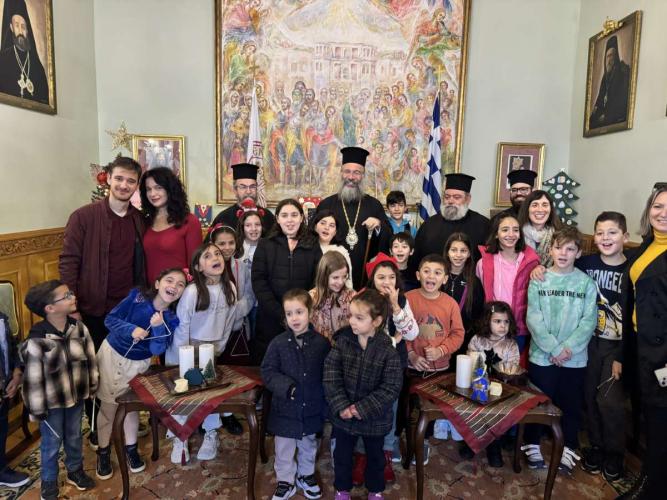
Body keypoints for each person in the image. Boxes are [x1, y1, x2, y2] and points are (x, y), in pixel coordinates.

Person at [59, 156, 145, 447]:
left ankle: (126, 421)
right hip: (91, 310)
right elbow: (68, 262)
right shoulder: (83, 217)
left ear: (136, 185)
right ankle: (98, 427)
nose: (124, 185)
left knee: (125, 369)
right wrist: (72, 306)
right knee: (94, 371)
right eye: (119, 178)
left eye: (130, 181)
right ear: (108, 178)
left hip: (125, 314)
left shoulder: (138, 221)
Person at [95, 268, 186, 480]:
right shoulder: (136, 297)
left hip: (138, 365)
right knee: (108, 408)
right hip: (112, 356)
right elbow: (110, 320)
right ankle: (103, 452)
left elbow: (157, 349)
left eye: (180, 284)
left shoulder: (171, 319)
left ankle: (131, 449)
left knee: (131, 408)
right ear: (158, 284)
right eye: (169, 280)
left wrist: (157, 327)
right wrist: (131, 330)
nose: (174, 286)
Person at [523, 227, 597, 474]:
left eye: (570, 249)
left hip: (574, 359)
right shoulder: (539, 279)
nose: (563, 253)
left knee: (571, 403)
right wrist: (554, 348)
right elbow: (534, 318)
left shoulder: (586, 283)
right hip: (542, 355)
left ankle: (569, 446)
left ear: (578, 253)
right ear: (551, 250)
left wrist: (567, 349)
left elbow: (589, 321)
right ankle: (532, 443)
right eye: (558, 248)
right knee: (538, 401)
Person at [22, 280, 98, 500]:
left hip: (76, 397)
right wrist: (37, 409)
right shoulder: (37, 339)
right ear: (50, 308)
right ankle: (49, 480)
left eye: (70, 293)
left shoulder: (79, 328)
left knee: (74, 436)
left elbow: (90, 358)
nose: (73, 297)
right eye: (66, 296)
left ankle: (75, 470)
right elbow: (32, 378)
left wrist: (92, 384)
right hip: (51, 404)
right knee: (51, 443)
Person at [323, 290, 403, 500]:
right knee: (342, 456)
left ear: (376, 321)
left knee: (376, 458)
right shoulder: (342, 342)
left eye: (359, 318)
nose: (352, 321)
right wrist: (342, 406)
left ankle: (375, 491)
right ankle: (342, 490)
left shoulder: (388, 351)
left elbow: (391, 388)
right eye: (351, 315)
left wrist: (361, 408)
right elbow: (331, 376)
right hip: (344, 416)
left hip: (375, 419)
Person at [165, 243, 241, 463]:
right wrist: (182, 356)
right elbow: (183, 324)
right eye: (207, 256)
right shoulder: (192, 291)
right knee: (184, 392)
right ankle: (180, 436)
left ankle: (210, 432)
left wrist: (219, 347)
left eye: (217, 254)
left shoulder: (230, 288)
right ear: (198, 267)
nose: (215, 258)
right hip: (186, 348)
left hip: (211, 349)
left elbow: (228, 322)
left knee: (210, 391)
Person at [618, 185, 667, 499]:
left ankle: (653, 490)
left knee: (661, 428)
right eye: (658, 206)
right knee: (650, 421)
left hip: (663, 355)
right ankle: (649, 481)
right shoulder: (647, 246)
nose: (663, 213)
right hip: (641, 346)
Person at [574, 211, 629, 481]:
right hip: (589, 340)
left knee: (609, 399)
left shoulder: (632, 268)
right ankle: (596, 445)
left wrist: (622, 354)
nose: (605, 238)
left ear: (625, 236)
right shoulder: (585, 263)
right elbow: (560, 265)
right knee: (589, 394)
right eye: (600, 233)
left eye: (612, 232)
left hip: (618, 345)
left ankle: (615, 451)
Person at [261, 289, 330, 500]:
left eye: (299, 312)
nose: (294, 318)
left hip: (311, 406)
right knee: (283, 447)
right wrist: (287, 387)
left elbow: (328, 374)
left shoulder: (322, 344)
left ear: (310, 312)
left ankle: (306, 475)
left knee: (308, 444)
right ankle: (285, 480)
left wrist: (326, 403)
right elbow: (267, 371)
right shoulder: (278, 343)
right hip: (285, 408)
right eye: (289, 313)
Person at [362, 253, 419, 479]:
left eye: (391, 277)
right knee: (365, 406)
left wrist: (395, 306)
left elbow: (411, 333)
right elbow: (362, 332)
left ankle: (385, 453)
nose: (386, 282)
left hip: (393, 366)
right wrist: (393, 340)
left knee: (390, 408)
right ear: (372, 279)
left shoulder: (402, 301)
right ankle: (361, 454)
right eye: (381, 277)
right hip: (368, 364)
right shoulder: (363, 299)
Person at [252, 199, 321, 364]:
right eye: (284, 215)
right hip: (270, 317)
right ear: (277, 218)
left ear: (301, 217)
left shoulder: (312, 244)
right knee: (270, 363)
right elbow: (258, 281)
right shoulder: (265, 244)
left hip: (302, 317)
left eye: (294, 215)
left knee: (299, 363)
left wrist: (300, 310)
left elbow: (318, 280)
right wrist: (281, 313)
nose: (289, 220)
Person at [316, 147, 391, 289]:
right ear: (341, 173)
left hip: (365, 277)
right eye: (347, 171)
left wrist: (378, 225)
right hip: (333, 276)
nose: (351, 177)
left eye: (357, 172)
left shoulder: (374, 205)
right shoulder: (326, 204)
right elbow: (314, 237)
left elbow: (388, 235)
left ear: (363, 175)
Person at [477, 214, 540, 363]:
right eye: (505, 230)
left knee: (513, 370)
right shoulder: (484, 263)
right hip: (492, 326)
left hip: (519, 327)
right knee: (489, 368)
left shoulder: (531, 262)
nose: (511, 234)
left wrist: (541, 268)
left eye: (515, 230)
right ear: (496, 234)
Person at [465, 301, 521, 467]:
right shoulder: (477, 340)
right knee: (475, 413)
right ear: (487, 321)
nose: (503, 326)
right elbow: (470, 360)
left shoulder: (510, 345)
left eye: (506, 322)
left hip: (501, 389)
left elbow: (513, 366)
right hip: (478, 386)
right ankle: (472, 442)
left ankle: (493, 447)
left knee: (497, 416)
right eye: (497, 321)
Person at [413, 173, 490, 270]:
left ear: (468, 199)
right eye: (447, 197)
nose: (450, 201)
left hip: (470, 278)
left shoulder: (483, 225)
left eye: (456, 197)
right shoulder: (429, 225)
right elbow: (417, 259)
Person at [140, 167, 202, 283]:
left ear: (170, 189)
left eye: (158, 188)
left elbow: (195, 266)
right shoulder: (145, 221)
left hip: (178, 290)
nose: (152, 194)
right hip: (150, 290)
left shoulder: (189, 221)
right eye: (148, 189)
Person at [209, 224, 255, 363]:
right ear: (212, 244)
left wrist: (234, 313)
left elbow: (249, 295)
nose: (227, 247)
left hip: (237, 327)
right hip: (213, 329)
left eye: (231, 243)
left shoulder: (242, 266)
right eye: (221, 243)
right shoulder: (206, 267)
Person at [442, 233, 485, 366]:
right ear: (447, 252)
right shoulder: (437, 276)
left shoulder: (474, 282)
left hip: (463, 341)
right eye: (454, 250)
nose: (458, 255)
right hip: (438, 339)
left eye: (463, 251)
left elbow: (478, 315)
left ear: (469, 254)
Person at [0, 311, 28, 488]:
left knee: (1, 427)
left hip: (4, 386)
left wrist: (17, 374)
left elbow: (11, 347)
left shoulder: (2, 318)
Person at [0, 0, 49, 103]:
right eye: (17, 25)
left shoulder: (36, 64)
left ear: (27, 30)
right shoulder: (2, 60)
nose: (21, 31)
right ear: (11, 27)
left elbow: (44, 99)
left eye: (23, 26)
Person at [212, 163, 276, 233]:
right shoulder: (223, 218)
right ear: (235, 190)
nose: (248, 191)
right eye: (243, 187)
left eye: (252, 186)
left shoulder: (267, 216)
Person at [309, 251, 355, 343]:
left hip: (344, 347)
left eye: (344, 276)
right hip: (319, 346)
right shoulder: (312, 297)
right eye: (335, 277)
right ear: (323, 276)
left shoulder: (352, 296)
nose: (341, 282)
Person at [589, 35, 630, 129]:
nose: (609, 59)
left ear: (616, 56)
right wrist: (595, 111)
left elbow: (622, 101)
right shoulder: (605, 77)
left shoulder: (623, 72)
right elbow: (600, 99)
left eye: (611, 55)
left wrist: (607, 116)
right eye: (607, 56)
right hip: (604, 116)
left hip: (615, 116)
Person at [309, 209, 354, 289]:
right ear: (315, 227)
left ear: (335, 232)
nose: (326, 227)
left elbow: (348, 279)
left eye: (331, 225)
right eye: (323, 223)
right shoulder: (307, 248)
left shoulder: (341, 250)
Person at [518, 190, 563, 267]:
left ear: (550, 209)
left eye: (545, 205)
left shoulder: (560, 235)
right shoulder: (516, 234)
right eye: (535, 205)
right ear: (527, 209)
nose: (540, 209)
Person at [237, 209, 263, 338]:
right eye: (248, 225)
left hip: (260, 303)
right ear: (242, 227)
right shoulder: (236, 248)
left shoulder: (268, 247)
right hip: (241, 301)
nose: (253, 229)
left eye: (257, 224)